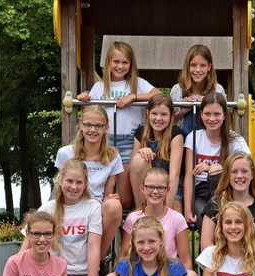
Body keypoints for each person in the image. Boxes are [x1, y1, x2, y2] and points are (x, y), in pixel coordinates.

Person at [108, 168, 199, 276]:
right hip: (140, 273)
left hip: (167, 274)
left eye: (160, 188)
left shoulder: (176, 219)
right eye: (150, 187)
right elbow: (125, 254)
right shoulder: (133, 219)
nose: (155, 192)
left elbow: (185, 259)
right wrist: (125, 275)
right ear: (142, 189)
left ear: (168, 190)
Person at [78, 41, 161, 209]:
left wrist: (133, 97)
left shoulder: (137, 83)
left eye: (125, 62)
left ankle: (129, 218)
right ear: (108, 62)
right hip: (103, 140)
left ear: (131, 64)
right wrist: (84, 99)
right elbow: (89, 113)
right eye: (116, 61)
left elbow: (159, 95)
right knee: (102, 187)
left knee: (126, 199)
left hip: (129, 141)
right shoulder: (99, 86)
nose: (120, 66)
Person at [55, 105, 124, 258]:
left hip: (95, 206)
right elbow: (60, 185)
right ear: (81, 126)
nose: (92, 130)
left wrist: (110, 198)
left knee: (113, 206)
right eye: (88, 125)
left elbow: (108, 192)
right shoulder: (65, 153)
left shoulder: (113, 157)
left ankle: (99, 258)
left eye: (98, 126)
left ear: (106, 128)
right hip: (70, 203)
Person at [182, 93, 250, 228]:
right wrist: (187, 210)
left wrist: (211, 168)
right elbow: (189, 176)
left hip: (227, 190)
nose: (212, 118)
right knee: (204, 218)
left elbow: (247, 168)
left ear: (224, 115)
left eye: (217, 114)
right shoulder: (194, 137)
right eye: (207, 114)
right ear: (201, 115)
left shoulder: (236, 140)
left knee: (226, 218)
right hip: (200, 192)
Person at [129, 94, 185, 209]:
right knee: (139, 159)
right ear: (148, 113)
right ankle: (142, 209)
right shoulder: (141, 133)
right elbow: (132, 169)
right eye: (154, 113)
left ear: (171, 115)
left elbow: (174, 175)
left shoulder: (176, 134)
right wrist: (141, 152)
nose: (158, 118)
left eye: (164, 114)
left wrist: (166, 209)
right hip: (147, 188)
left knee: (176, 214)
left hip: (169, 186)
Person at [170, 44, 227, 136]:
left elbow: (225, 121)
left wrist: (209, 106)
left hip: (210, 140)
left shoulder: (217, 90)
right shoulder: (177, 90)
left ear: (209, 67)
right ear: (188, 66)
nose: (197, 70)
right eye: (193, 65)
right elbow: (169, 123)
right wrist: (181, 111)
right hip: (182, 141)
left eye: (203, 65)